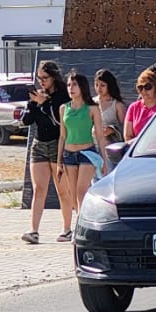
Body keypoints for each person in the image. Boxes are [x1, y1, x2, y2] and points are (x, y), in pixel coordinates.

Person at [20, 60, 69, 244]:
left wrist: (45, 104)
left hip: (57, 144)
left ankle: (66, 229)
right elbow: (27, 120)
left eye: (45, 78)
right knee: (39, 189)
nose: (42, 82)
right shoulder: (38, 95)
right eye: (39, 78)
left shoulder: (62, 96)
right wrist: (33, 104)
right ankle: (34, 230)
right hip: (39, 144)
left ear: (54, 77)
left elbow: (58, 121)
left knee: (62, 190)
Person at [57, 71, 101, 232]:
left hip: (87, 153)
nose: (71, 88)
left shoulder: (92, 108)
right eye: (69, 85)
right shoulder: (64, 108)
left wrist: (102, 158)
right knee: (73, 193)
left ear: (82, 87)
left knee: (82, 190)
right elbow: (62, 136)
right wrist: (59, 161)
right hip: (69, 154)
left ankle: (83, 228)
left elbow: (100, 136)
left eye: (74, 84)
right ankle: (77, 224)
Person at [123, 68, 156, 141]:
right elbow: (128, 136)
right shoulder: (133, 108)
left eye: (147, 87)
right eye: (140, 88)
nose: (144, 91)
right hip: (139, 151)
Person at [93, 69, 126, 162]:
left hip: (112, 149)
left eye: (102, 85)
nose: (99, 88)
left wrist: (112, 130)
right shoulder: (92, 103)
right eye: (96, 85)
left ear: (109, 86)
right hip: (94, 148)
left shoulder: (117, 104)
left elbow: (124, 129)